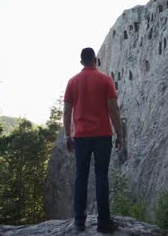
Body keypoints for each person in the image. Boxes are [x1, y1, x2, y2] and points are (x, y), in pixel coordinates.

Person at [63, 47, 124, 233]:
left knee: (81, 177)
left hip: (81, 137)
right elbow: (113, 110)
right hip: (102, 136)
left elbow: (67, 111)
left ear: (81, 62)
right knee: (102, 177)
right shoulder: (106, 80)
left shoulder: (72, 82)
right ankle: (104, 222)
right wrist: (120, 134)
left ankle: (79, 221)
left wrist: (68, 135)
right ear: (95, 60)